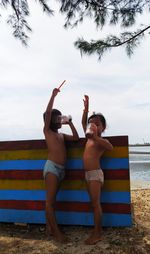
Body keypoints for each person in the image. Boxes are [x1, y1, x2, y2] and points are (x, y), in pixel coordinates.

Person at [43, 88, 79, 243]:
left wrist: (69, 122)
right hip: (51, 168)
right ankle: (57, 234)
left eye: (60, 118)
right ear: (50, 120)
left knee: (51, 202)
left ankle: (48, 228)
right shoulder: (47, 132)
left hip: (61, 170)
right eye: (56, 118)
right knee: (50, 202)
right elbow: (48, 112)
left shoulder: (61, 135)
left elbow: (77, 138)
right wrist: (53, 96)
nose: (58, 120)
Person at [82, 95, 113, 245]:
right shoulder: (89, 138)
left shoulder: (100, 140)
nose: (93, 126)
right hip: (87, 175)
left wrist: (96, 136)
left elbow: (110, 147)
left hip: (95, 174)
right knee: (92, 203)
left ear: (103, 127)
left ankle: (97, 233)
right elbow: (83, 122)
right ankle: (96, 230)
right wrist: (86, 109)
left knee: (96, 204)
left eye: (97, 124)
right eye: (91, 124)